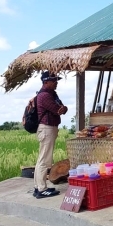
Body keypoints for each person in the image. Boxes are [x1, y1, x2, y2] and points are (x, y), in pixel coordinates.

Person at [33, 71, 68, 199]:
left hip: (49, 128)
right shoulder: (45, 96)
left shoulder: (51, 94)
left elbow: (62, 108)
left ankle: (38, 186)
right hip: (47, 128)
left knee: (42, 158)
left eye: (56, 81)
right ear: (45, 82)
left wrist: (62, 108)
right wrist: (62, 109)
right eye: (53, 81)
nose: (56, 83)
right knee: (44, 160)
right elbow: (58, 109)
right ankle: (42, 189)